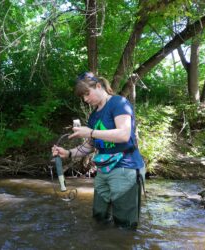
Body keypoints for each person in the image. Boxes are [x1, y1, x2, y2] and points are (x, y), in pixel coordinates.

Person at [52, 71, 145, 229]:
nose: (86, 99)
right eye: (83, 97)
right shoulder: (94, 116)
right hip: (103, 171)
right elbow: (89, 147)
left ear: (99, 86)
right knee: (99, 218)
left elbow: (124, 134)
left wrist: (91, 132)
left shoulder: (118, 103)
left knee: (124, 225)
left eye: (87, 94)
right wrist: (67, 153)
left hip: (125, 167)